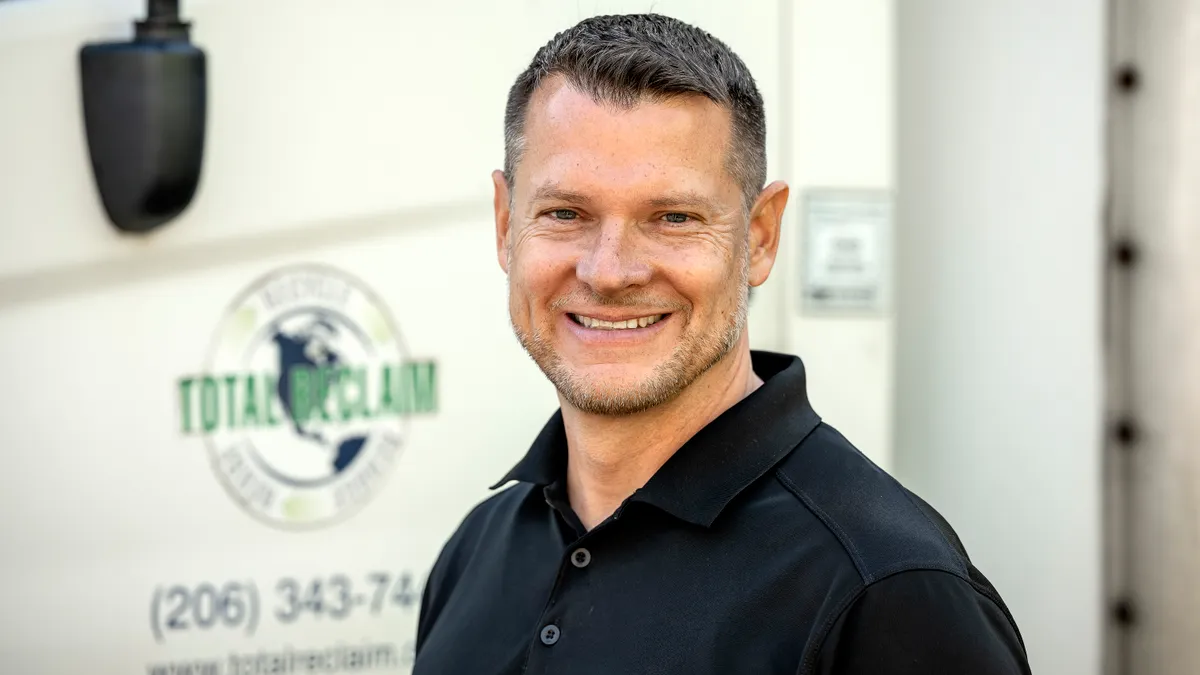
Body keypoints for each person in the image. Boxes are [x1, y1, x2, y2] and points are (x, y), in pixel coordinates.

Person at [413, 13, 1031, 675]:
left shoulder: (885, 593)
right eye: (566, 213)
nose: (609, 270)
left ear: (760, 236)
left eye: (672, 217)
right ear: (507, 224)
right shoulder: (477, 548)